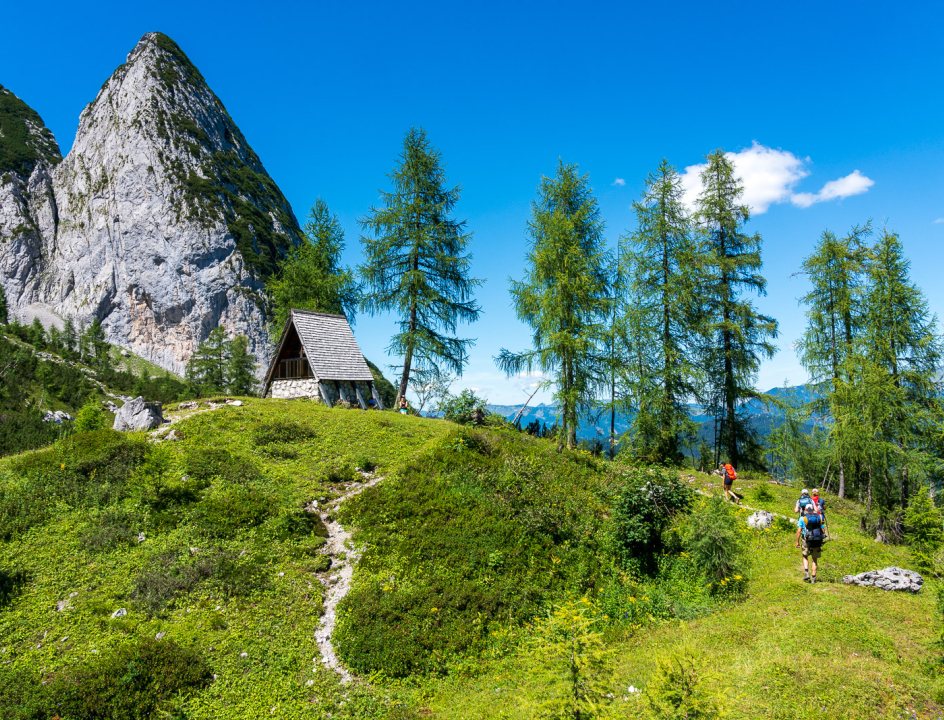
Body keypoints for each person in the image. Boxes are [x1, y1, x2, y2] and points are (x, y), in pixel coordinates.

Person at [795, 504, 825, 583]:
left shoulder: (803, 518)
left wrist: (797, 542)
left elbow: (799, 531)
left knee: (805, 556)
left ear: (805, 510)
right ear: (813, 509)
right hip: (817, 540)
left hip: (807, 540)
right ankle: (814, 578)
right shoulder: (819, 517)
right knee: (814, 559)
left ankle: (806, 573)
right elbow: (823, 530)